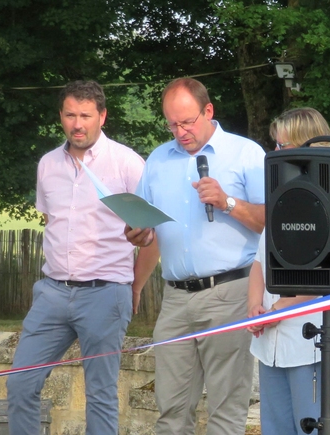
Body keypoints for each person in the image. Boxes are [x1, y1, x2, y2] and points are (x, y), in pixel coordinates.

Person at [6, 80, 156, 435]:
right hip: (52, 293)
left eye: (86, 115)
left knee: (101, 395)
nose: (78, 124)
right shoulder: (47, 165)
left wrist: (135, 287)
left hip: (106, 293)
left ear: (102, 116)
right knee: (20, 385)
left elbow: (153, 234)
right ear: (61, 116)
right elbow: (52, 221)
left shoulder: (127, 163)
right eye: (70, 115)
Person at [125, 77, 266, 435]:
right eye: (172, 123)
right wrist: (138, 233)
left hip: (230, 292)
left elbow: (272, 222)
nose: (180, 131)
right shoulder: (158, 158)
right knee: (170, 411)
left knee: (225, 409)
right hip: (175, 298)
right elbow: (147, 225)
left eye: (187, 121)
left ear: (208, 111)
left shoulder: (246, 154)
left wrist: (227, 202)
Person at [247, 107, 330, 435]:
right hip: (271, 340)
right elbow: (259, 261)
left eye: (283, 146)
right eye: (274, 146)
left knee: (312, 427)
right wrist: (255, 306)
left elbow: (325, 272)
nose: (275, 153)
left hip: (311, 336)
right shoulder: (282, 198)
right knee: (275, 428)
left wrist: (277, 309)